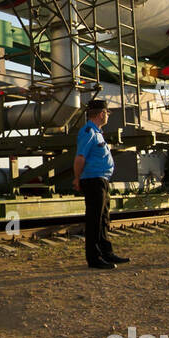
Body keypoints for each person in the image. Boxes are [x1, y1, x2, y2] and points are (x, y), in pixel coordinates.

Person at [72, 98, 129, 269]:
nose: (108, 116)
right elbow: (80, 157)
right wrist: (77, 178)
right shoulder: (88, 131)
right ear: (102, 114)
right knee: (94, 219)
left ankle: (106, 252)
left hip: (101, 180)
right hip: (93, 180)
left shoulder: (97, 132)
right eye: (107, 113)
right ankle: (94, 258)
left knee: (103, 218)